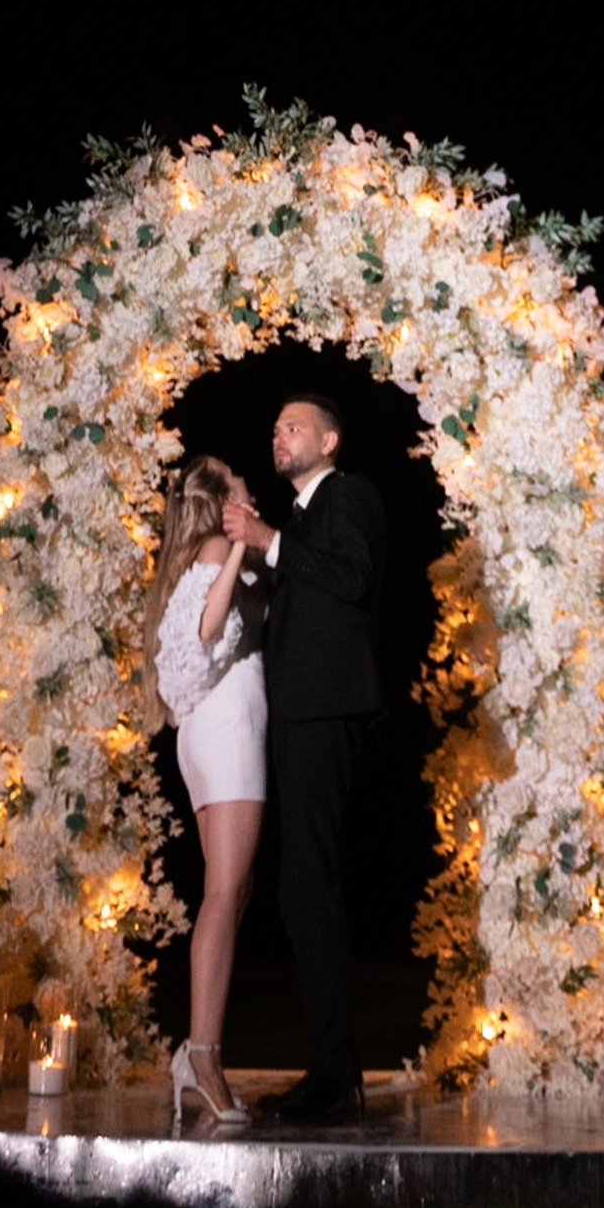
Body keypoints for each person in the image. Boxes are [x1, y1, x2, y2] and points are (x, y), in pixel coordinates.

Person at [221, 394, 384, 1122]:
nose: (278, 434)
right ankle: (330, 1069)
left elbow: (351, 577)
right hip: (297, 714)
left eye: (293, 425)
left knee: (309, 882)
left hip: (326, 711)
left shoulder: (350, 496)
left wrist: (268, 538)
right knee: (299, 885)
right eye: (275, 425)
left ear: (330, 437)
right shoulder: (297, 522)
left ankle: (335, 1077)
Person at [146, 451, 267, 1127]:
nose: (244, 472)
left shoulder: (208, 545)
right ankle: (202, 1055)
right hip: (224, 728)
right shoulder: (219, 545)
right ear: (223, 495)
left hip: (223, 726)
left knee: (233, 887)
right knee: (224, 891)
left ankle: (202, 1051)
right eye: (234, 471)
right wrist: (237, 552)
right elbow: (201, 634)